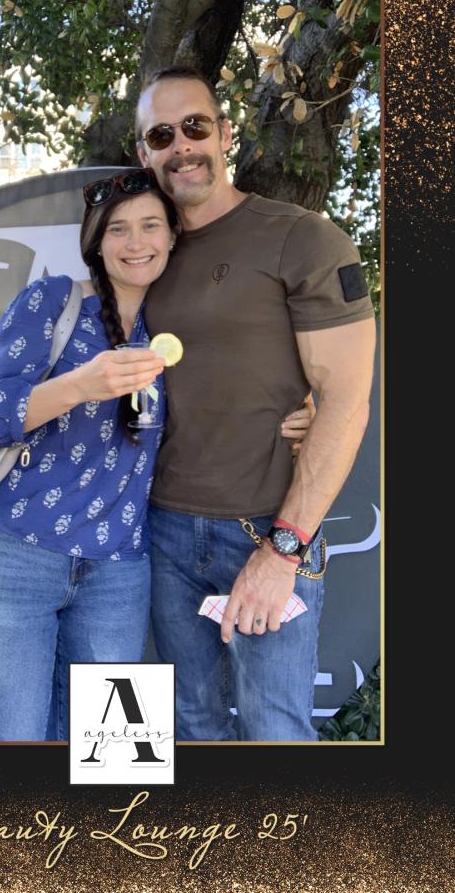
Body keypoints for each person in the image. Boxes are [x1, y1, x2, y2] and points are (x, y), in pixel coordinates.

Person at [0, 167, 313, 742]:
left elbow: (238, 394)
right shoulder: (53, 301)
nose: (135, 242)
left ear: (172, 236)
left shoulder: (180, 331)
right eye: (117, 229)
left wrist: (302, 411)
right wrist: (80, 385)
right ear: (96, 241)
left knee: (104, 754)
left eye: (150, 226)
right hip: (18, 556)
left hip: (119, 572)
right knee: (0, 738)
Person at [135, 66, 377, 742]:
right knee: (191, 726)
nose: (181, 146)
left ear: (224, 133)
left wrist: (282, 549)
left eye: (194, 126)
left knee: (275, 731)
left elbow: (346, 401)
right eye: (161, 135)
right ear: (144, 154)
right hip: (162, 531)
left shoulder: (302, 238)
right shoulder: (142, 251)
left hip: (266, 527)